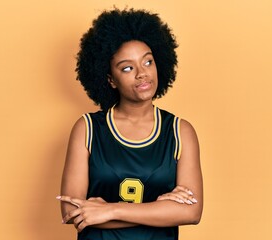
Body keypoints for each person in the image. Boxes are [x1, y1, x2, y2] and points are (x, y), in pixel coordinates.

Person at [57, 8, 203, 240]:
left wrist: (109, 210)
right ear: (110, 80)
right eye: (127, 67)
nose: (142, 74)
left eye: (148, 62)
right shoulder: (87, 128)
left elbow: (191, 211)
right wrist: (157, 209)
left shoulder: (180, 131)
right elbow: (72, 212)